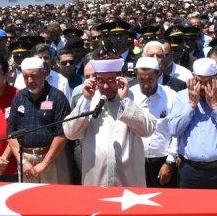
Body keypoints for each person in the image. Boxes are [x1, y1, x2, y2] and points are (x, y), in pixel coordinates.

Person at [65, 57, 156, 187]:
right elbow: (70, 133)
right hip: (96, 180)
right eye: (101, 81)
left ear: (120, 79)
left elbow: (148, 130)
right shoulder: (87, 99)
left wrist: (125, 101)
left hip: (128, 182)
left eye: (111, 81)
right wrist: (86, 101)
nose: (106, 86)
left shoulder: (134, 97)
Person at [168, 57, 217, 189]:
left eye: (206, 82)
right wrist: (191, 105)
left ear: (215, 79)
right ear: (193, 78)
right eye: (198, 81)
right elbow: (174, 130)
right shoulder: (181, 96)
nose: (201, 86)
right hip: (189, 169)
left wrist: (215, 106)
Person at [8, 57, 71, 183]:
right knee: (26, 200)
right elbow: (11, 133)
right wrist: (23, 162)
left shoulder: (58, 97)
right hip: (25, 160)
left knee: (52, 200)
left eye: (34, 76)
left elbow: (62, 134)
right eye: (26, 76)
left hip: (51, 159)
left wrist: (45, 163)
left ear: (44, 73)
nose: (30, 80)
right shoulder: (19, 98)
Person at [129, 56, 178, 187]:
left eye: (150, 79)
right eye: (141, 80)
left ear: (158, 75)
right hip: (135, 162)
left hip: (163, 163)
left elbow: (177, 132)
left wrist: (170, 162)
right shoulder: (129, 95)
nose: (146, 85)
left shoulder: (171, 96)